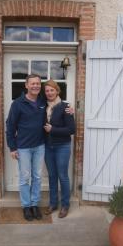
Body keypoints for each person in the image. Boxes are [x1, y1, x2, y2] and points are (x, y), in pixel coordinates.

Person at [6, 74, 45, 221]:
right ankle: (26, 206)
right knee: (24, 178)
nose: (36, 86)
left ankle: (35, 204)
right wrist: (12, 147)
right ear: (26, 85)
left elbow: (56, 104)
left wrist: (69, 110)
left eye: (38, 84)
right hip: (23, 147)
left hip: (40, 146)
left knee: (37, 177)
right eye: (33, 84)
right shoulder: (18, 103)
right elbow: (10, 126)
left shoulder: (42, 101)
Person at [43, 80, 75, 218]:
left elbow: (71, 129)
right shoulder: (42, 106)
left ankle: (65, 205)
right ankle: (53, 203)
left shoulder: (65, 107)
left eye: (52, 90)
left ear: (57, 91)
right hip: (48, 146)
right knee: (52, 176)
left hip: (62, 146)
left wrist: (53, 129)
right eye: (47, 91)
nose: (49, 93)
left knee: (62, 176)